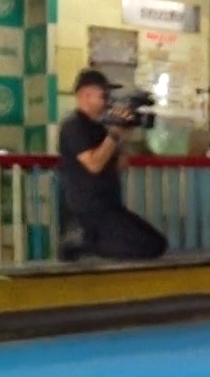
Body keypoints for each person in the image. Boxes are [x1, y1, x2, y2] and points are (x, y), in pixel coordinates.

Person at [57, 69, 167, 261]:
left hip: (110, 206)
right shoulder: (74, 126)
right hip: (89, 209)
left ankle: (88, 241)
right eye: (103, 96)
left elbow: (119, 165)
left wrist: (124, 134)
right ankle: (84, 240)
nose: (107, 101)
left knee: (157, 243)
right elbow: (93, 164)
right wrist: (114, 134)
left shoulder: (100, 128)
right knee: (147, 245)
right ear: (86, 95)